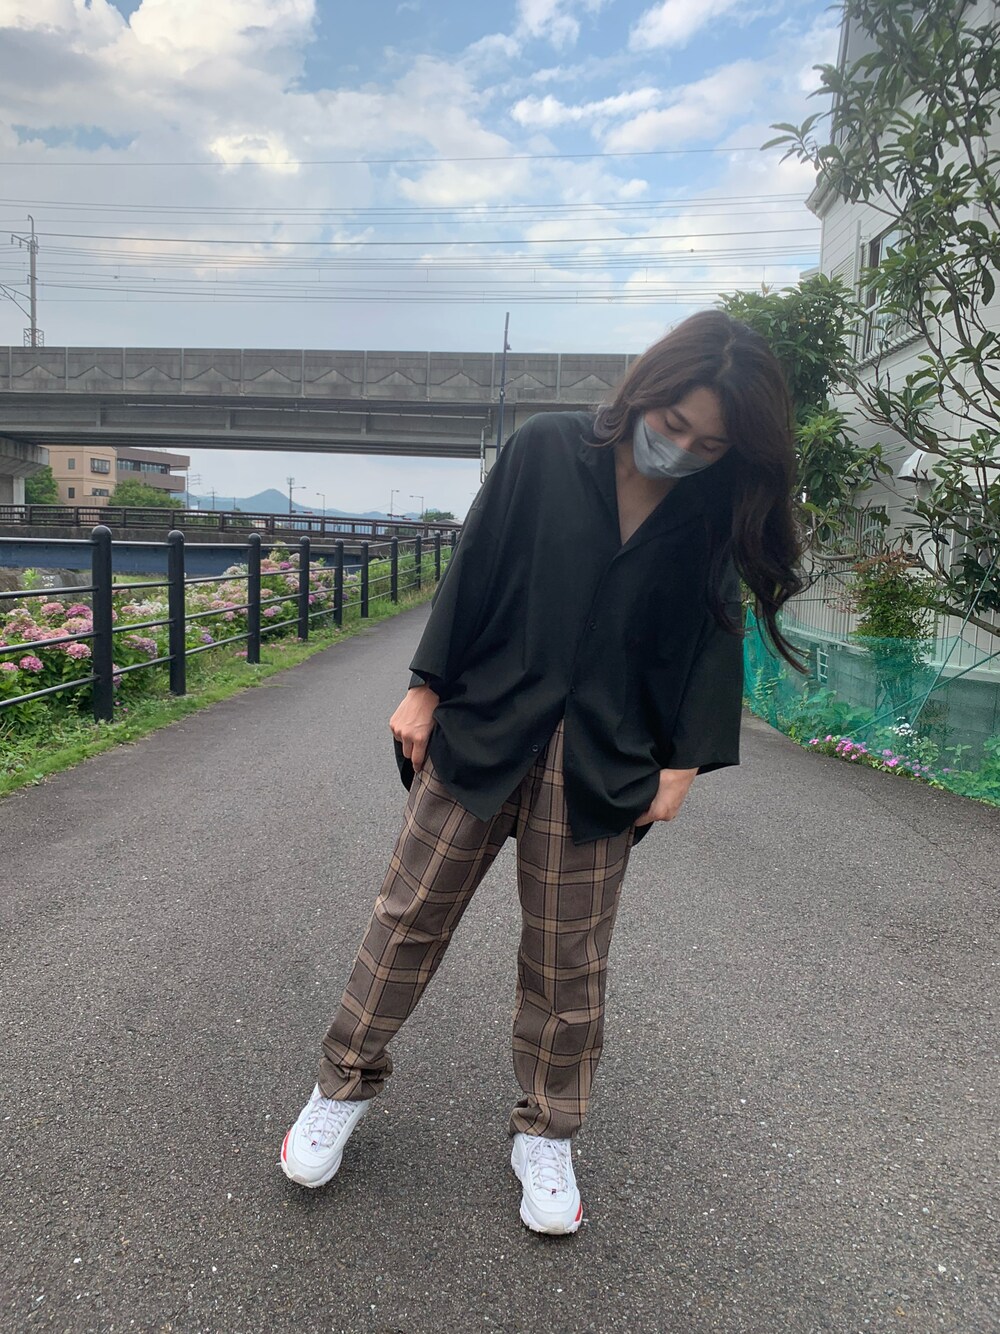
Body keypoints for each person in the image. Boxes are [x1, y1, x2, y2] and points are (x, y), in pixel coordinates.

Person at [280, 310, 804, 1234]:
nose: (684, 449)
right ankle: (340, 1087)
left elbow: (713, 631)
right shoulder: (546, 449)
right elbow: (475, 565)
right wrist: (424, 688)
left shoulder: (712, 508)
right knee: (407, 918)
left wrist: (684, 763)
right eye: (674, 424)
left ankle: (548, 1132)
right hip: (487, 722)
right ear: (646, 390)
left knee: (569, 958)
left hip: (606, 754)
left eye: (712, 443)